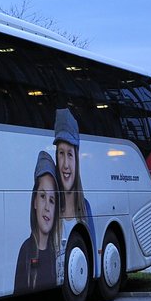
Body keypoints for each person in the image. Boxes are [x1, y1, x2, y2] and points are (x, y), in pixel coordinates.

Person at [53, 107, 96, 283]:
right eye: (60, 154)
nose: (65, 165)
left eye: (69, 155)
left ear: (77, 159)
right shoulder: (49, 210)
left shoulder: (85, 209)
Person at [14, 151, 61, 293]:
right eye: (42, 196)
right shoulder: (25, 250)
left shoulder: (58, 253)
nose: (47, 207)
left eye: (52, 201)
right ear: (34, 201)